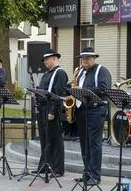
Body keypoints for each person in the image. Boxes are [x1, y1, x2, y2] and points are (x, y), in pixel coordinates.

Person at [74, 47, 111, 185]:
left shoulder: (101, 70)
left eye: (88, 58)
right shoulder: (81, 72)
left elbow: (104, 89)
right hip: (82, 111)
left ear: (94, 58)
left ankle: (95, 176)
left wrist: (83, 90)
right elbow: (76, 88)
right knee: (84, 144)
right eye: (83, 58)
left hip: (95, 111)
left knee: (94, 144)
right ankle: (87, 173)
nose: (85, 60)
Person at [32, 49, 68, 177]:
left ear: (54, 58)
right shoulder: (47, 73)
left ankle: (58, 169)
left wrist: (53, 111)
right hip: (42, 109)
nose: (45, 62)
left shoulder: (60, 73)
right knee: (44, 138)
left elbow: (59, 94)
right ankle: (45, 165)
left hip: (51, 109)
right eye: (44, 60)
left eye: (47, 59)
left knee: (55, 139)